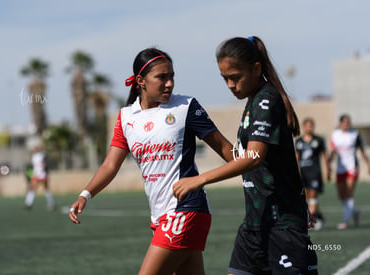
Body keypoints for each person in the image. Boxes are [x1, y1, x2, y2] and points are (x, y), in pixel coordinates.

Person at [68, 48, 233, 275]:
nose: (169, 83)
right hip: (160, 216)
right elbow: (110, 165)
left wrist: (257, 168)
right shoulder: (126, 117)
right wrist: (85, 194)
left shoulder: (186, 107)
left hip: (186, 210)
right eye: (162, 77)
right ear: (140, 81)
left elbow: (225, 148)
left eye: (171, 76)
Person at [173, 36, 318, 274]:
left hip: (282, 226)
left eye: (235, 77)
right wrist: (212, 136)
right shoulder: (252, 101)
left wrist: (200, 179)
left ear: (256, 69)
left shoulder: (266, 100)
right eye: (225, 79)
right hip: (255, 224)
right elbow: (248, 157)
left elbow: (253, 157)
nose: (230, 85)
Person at [328, 114, 370, 230]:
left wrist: (368, 164)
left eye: (348, 122)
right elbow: (333, 151)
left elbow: (362, 150)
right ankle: (354, 212)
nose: (347, 124)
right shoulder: (335, 135)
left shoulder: (355, 134)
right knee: (342, 195)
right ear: (340, 123)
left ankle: (345, 222)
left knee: (349, 192)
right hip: (340, 168)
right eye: (345, 122)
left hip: (352, 167)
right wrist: (329, 164)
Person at [295, 118, 330, 231]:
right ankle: (318, 216)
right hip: (303, 173)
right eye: (307, 125)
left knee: (313, 196)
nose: (309, 127)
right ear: (304, 127)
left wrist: (328, 169)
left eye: (311, 125)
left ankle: (312, 220)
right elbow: (297, 158)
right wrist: (296, 171)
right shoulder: (299, 142)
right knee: (307, 197)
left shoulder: (318, 140)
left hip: (315, 172)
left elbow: (325, 155)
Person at [24, 146, 55, 210]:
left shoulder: (42, 155)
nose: (35, 149)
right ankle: (28, 203)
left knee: (46, 189)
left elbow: (45, 164)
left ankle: (51, 203)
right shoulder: (34, 156)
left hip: (42, 175)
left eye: (36, 148)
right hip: (36, 175)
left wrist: (46, 172)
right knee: (32, 188)